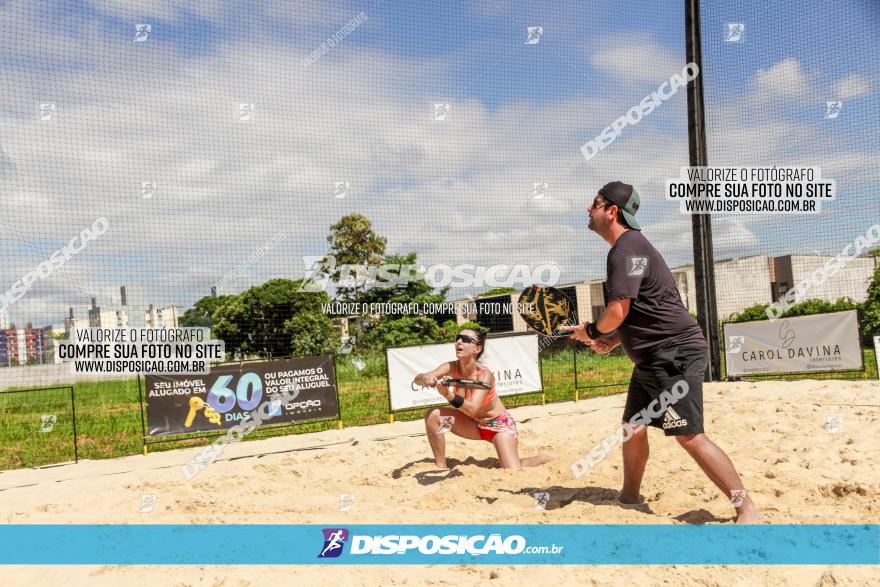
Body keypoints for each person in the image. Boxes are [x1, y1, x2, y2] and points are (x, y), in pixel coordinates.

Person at [561, 181, 761, 524]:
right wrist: (613, 340)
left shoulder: (625, 250)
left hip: (673, 354)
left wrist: (592, 331)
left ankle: (746, 508)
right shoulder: (634, 247)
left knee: (690, 436)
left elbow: (618, 312)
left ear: (612, 211)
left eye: (594, 203)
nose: (588, 210)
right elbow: (645, 308)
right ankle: (629, 497)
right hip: (655, 356)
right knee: (633, 427)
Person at [414, 328, 553, 470]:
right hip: (472, 426)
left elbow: (473, 407)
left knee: (512, 469)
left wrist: (448, 394)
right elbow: (417, 380)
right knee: (433, 416)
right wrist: (425, 378)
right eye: (458, 338)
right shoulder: (451, 366)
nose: (459, 342)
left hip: (498, 427)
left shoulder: (484, 375)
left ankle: (540, 458)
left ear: (477, 349)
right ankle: (441, 466)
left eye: (466, 339)